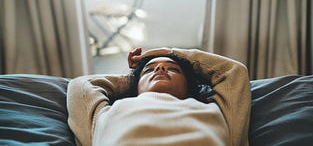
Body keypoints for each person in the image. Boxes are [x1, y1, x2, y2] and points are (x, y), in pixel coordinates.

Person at [67, 47, 251, 146]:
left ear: (189, 84)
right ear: (136, 86)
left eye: (173, 69)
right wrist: (132, 78)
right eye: (150, 70)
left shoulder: (214, 111)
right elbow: (81, 85)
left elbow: (235, 72)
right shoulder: (109, 113)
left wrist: (167, 52)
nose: (160, 68)